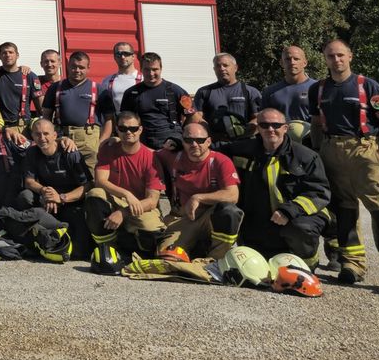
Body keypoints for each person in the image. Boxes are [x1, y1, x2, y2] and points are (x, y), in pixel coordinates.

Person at [309, 40, 379, 294]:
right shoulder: (318, 89)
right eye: (331, 56)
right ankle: (352, 264)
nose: (336, 60)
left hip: (364, 150)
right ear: (325, 58)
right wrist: (320, 152)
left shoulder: (367, 85)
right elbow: (316, 124)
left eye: (341, 55)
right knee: (343, 210)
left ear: (350, 56)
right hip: (332, 151)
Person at [216, 108, 331, 267]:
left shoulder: (306, 156)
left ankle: (307, 265)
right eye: (264, 125)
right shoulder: (241, 150)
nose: (270, 129)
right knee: (224, 212)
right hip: (258, 221)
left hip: (294, 217)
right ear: (258, 127)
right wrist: (180, 142)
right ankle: (215, 258)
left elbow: (319, 192)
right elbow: (207, 151)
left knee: (302, 228)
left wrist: (289, 211)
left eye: (276, 125)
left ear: (285, 128)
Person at [155, 121, 242, 259]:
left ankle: (215, 259)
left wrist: (198, 197)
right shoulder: (172, 157)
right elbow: (142, 153)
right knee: (168, 258)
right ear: (182, 142)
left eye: (200, 140)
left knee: (230, 212)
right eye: (189, 140)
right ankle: (195, 250)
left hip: (208, 218)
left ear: (208, 141)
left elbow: (232, 195)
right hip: (181, 219)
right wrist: (116, 140)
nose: (194, 144)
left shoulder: (221, 161)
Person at [86, 111, 166, 255]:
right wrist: (126, 194)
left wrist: (123, 212)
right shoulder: (108, 149)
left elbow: (152, 201)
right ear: (117, 130)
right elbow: (100, 181)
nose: (128, 132)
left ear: (140, 130)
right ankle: (107, 248)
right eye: (123, 128)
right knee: (95, 194)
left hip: (140, 205)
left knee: (152, 236)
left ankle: (129, 242)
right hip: (116, 199)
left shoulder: (151, 157)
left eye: (133, 129)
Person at [20, 117, 91, 256]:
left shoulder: (69, 153)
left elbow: (88, 185)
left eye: (46, 134)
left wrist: (62, 197)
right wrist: (44, 191)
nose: (42, 138)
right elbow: (29, 181)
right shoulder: (32, 152)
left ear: (55, 135)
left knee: (80, 252)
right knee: (25, 196)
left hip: (71, 201)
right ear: (32, 136)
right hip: (47, 200)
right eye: (37, 134)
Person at [41, 51, 106, 175]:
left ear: (88, 68)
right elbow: (46, 117)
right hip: (62, 137)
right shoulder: (55, 88)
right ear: (67, 66)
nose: (77, 70)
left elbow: (109, 120)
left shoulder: (98, 89)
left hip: (89, 139)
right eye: (73, 66)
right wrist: (51, 138)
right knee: (62, 173)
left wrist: (101, 143)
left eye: (81, 67)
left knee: (90, 176)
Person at [117, 52, 191, 149]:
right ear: (141, 70)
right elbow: (124, 121)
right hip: (142, 144)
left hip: (171, 143)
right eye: (147, 69)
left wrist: (181, 136)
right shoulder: (131, 93)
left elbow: (193, 116)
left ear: (161, 69)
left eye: (155, 69)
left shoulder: (176, 91)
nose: (151, 73)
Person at [193, 53, 262, 143]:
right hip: (214, 145)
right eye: (218, 66)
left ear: (235, 67)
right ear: (214, 69)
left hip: (243, 144)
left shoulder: (250, 92)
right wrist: (213, 135)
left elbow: (260, 119)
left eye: (225, 65)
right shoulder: (204, 92)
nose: (222, 68)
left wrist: (242, 132)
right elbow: (196, 118)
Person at [0, 42, 41, 130]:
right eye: (4, 53)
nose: (7, 55)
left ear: (17, 55)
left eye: (11, 52)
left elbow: (40, 106)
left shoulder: (29, 75)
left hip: (22, 127)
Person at [261, 45, 316, 128]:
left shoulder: (318, 88)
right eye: (287, 59)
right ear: (281, 63)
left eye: (296, 59)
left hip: (312, 139)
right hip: (282, 139)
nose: (292, 62)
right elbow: (264, 122)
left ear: (305, 63)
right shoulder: (269, 92)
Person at [100, 42, 142, 114]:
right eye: (119, 54)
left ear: (133, 56)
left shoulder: (143, 79)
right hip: (116, 123)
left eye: (126, 53)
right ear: (114, 57)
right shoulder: (107, 81)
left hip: (139, 123)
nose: (122, 57)